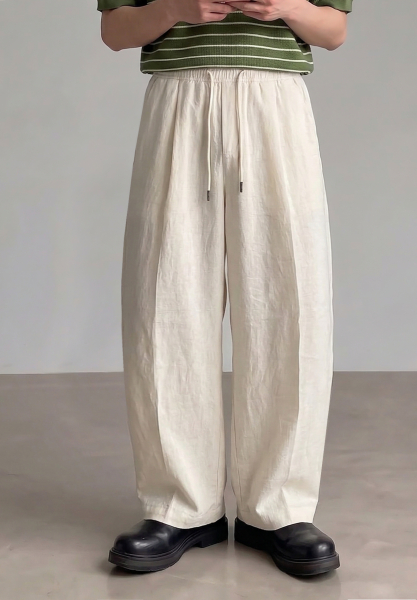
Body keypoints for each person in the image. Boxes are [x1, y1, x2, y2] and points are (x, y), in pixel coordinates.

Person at [97, 0, 352, 577]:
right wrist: (176, 8)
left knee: (288, 303)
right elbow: (115, 30)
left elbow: (334, 29)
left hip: (276, 104)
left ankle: (279, 508)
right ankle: (181, 505)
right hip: (178, 101)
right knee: (167, 303)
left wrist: (284, 6)